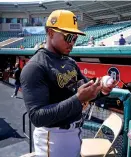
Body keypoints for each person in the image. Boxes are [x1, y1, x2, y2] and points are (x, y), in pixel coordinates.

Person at [20, 10, 116, 157]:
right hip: (53, 138)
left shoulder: (69, 61)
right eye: (69, 37)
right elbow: (37, 117)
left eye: (75, 38)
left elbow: (87, 94)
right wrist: (78, 99)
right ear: (51, 33)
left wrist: (102, 90)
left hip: (75, 132)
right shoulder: (35, 67)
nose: (72, 43)